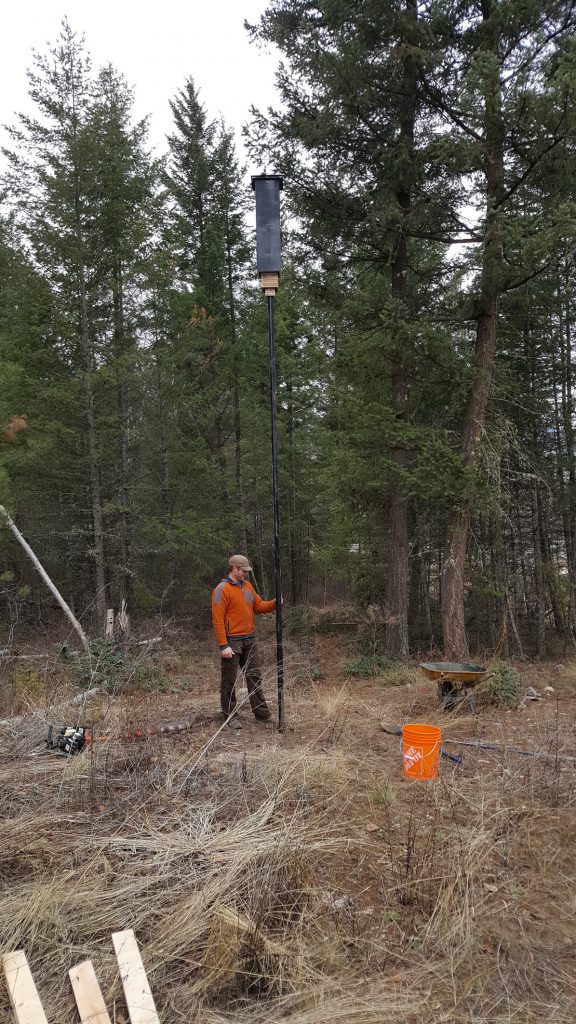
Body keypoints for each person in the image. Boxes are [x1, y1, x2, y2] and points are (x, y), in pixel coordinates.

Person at [211, 554, 276, 729]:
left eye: (247, 571)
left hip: (250, 639)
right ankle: (230, 716)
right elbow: (217, 620)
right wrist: (223, 645)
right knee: (229, 680)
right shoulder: (221, 589)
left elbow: (260, 606)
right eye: (243, 571)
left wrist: (276, 602)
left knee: (254, 677)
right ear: (234, 568)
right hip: (232, 642)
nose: (246, 574)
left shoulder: (247, 586)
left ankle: (262, 715)